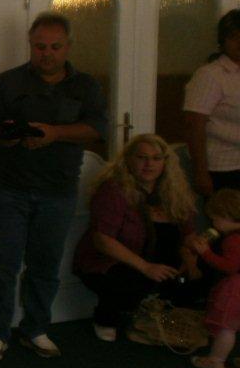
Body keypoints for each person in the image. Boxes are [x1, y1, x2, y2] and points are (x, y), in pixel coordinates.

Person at [0, 12, 107, 360]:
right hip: (10, 187)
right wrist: (1, 132)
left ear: (68, 47)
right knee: (2, 264)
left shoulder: (86, 86)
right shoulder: (8, 82)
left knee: (45, 265)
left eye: (55, 47)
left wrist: (55, 133)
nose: (47, 53)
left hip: (58, 190)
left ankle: (36, 328)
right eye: (40, 46)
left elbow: (97, 128)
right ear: (30, 45)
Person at [73, 134, 198, 341]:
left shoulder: (174, 190)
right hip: (114, 262)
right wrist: (146, 267)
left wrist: (190, 258)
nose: (149, 164)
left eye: (156, 158)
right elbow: (102, 240)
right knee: (129, 282)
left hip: (160, 261)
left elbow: (189, 232)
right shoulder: (113, 190)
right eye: (142, 158)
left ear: (165, 162)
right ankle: (107, 317)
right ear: (129, 159)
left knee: (198, 274)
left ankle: (161, 310)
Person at [183, 9, 240, 196]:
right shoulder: (210, 75)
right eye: (234, 37)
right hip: (223, 167)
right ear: (222, 41)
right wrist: (201, 173)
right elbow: (194, 125)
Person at [188, 189, 240, 368]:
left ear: (227, 216)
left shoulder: (233, 240)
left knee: (227, 327)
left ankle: (216, 360)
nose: (214, 224)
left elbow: (230, 266)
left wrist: (206, 253)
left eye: (215, 219)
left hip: (236, 288)